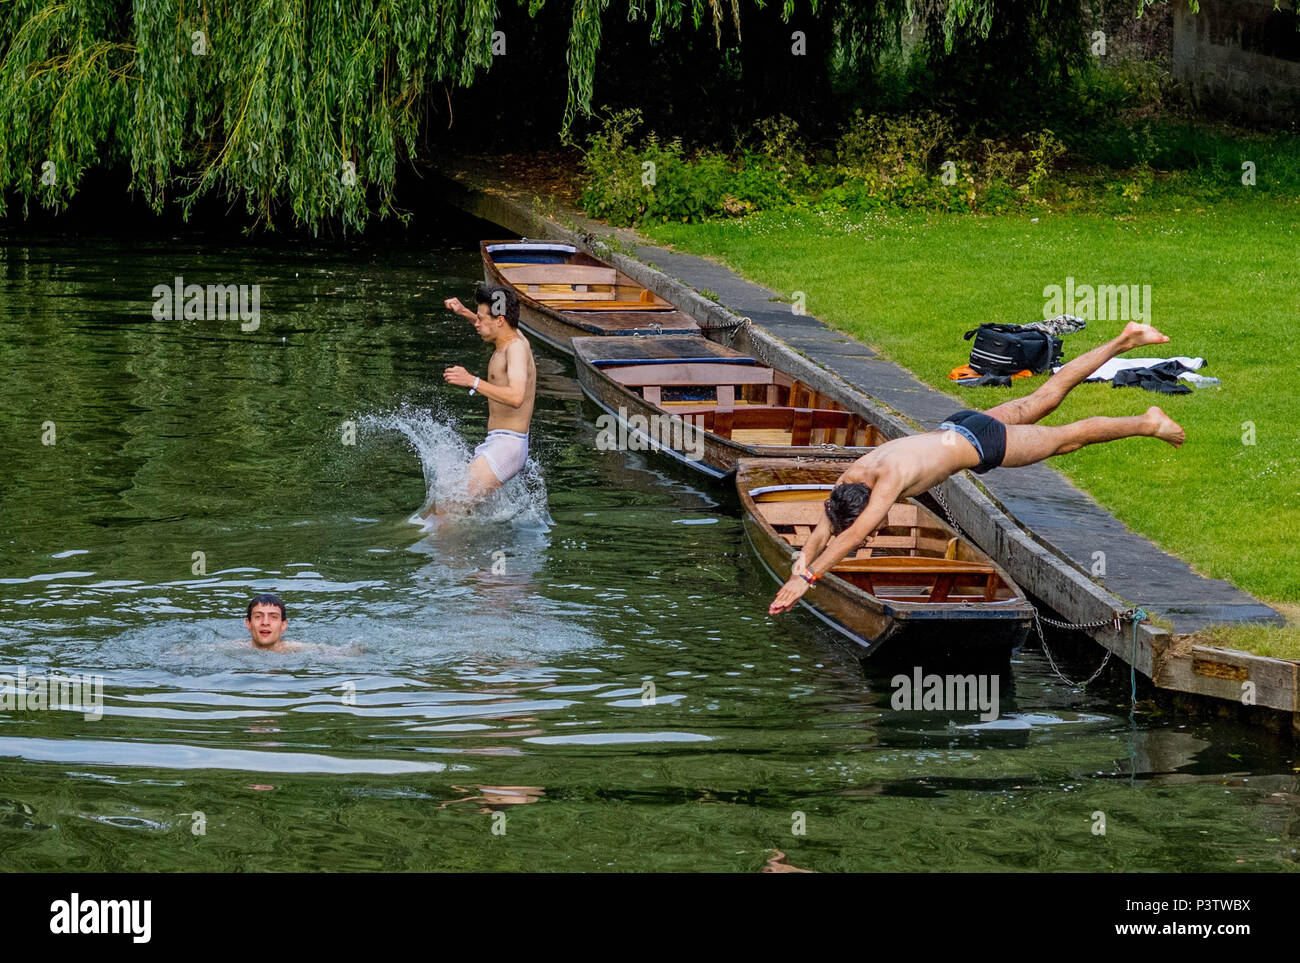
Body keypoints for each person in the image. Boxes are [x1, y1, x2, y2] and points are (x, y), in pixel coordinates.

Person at [769, 322, 1186, 615]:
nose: (873, 532)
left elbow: (853, 534)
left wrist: (807, 578)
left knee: (1067, 438)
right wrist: (800, 560)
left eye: (872, 525)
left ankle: (1148, 423)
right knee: (1046, 396)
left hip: (979, 442)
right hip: (958, 423)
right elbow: (828, 525)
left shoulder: (885, 486)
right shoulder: (854, 477)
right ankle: (1125, 339)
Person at [425, 283, 537, 516]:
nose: (477, 324)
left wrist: (471, 381)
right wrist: (465, 312)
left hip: (508, 446)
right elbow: (488, 324)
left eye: (481, 318)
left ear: (500, 320)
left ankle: (450, 552)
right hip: (499, 442)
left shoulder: (515, 349)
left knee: (448, 509)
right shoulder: (510, 335)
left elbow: (517, 396)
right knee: (441, 506)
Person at [238, 593, 359, 654]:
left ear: (283, 625)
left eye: (273, 617)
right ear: (248, 623)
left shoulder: (299, 650)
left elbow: (346, 653)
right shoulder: (234, 650)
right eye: (258, 617)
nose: (265, 622)